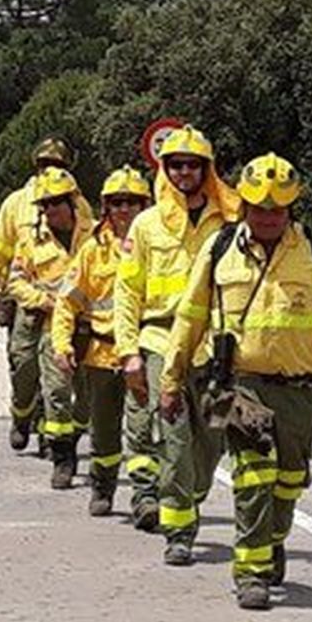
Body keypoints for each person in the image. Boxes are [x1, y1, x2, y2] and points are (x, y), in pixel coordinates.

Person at [162, 153, 312, 610]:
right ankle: (250, 574)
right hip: (236, 384)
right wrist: (171, 378)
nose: (268, 217)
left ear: (291, 208)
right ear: (245, 208)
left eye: (277, 210)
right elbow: (189, 317)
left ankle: (273, 540)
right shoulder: (219, 249)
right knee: (254, 475)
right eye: (259, 209)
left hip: (297, 388)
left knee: (290, 479)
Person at [113, 126, 240, 561]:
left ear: (207, 169)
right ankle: (179, 532)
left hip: (217, 348)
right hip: (160, 339)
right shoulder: (146, 225)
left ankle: (191, 495)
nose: (184, 172)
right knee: (173, 438)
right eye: (175, 165)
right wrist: (128, 351)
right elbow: (127, 292)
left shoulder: (231, 222)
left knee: (214, 438)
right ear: (164, 169)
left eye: (193, 165)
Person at [0, 138, 93, 451]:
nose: (50, 169)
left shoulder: (78, 203)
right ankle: (22, 414)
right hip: (26, 299)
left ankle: (49, 434)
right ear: (36, 165)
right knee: (23, 366)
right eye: (45, 163)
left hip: (68, 309)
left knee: (56, 373)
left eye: (57, 164)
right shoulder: (16, 203)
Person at [51, 167, 151, 516]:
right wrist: (62, 344)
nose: (124, 209)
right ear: (106, 207)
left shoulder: (157, 246)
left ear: (145, 205)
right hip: (102, 354)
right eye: (117, 203)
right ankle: (103, 486)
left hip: (143, 355)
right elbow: (67, 301)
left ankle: (145, 496)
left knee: (142, 428)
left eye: (132, 202)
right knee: (105, 431)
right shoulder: (93, 251)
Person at [9, 166, 95, 490]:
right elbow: (15, 282)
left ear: (72, 202)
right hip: (49, 326)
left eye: (55, 203)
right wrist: (41, 300)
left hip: (89, 327)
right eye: (44, 205)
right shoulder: (31, 242)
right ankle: (63, 458)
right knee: (56, 390)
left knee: (85, 397)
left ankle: (74, 437)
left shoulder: (96, 235)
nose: (49, 211)